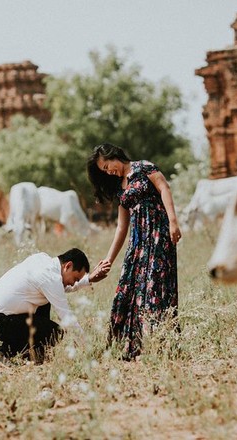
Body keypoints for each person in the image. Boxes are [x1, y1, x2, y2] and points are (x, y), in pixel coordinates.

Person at [87, 143, 182, 360]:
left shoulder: (144, 167)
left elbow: (164, 188)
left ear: (113, 155)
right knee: (128, 290)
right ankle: (128, 346)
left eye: (107, 165)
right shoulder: (121, 188)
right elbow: (121, 227)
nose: (108, 171)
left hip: (158, 238)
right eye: (104, 171)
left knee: (155, 288)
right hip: (137, 245)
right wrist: (108, 260)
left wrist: (173, 222)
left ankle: (160, 346)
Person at [0, 248, 111, 366]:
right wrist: (89, 351)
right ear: (68, 266)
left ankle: (32, 352)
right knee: (54, 332)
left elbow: (60, 288)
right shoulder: (50, 278)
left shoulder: (43, 260)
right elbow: (67, 319)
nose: (73, 283)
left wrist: (88, 279)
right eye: (75, 278)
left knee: (46, 302)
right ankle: (2, 353)